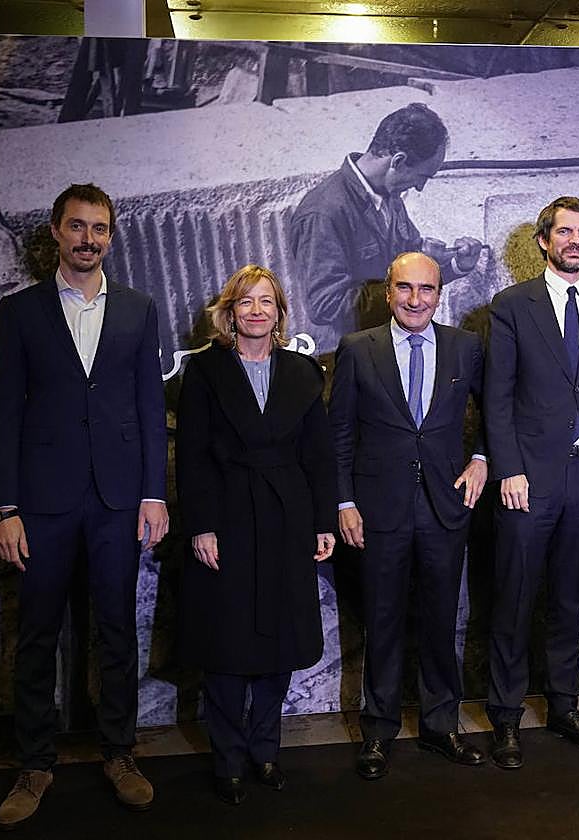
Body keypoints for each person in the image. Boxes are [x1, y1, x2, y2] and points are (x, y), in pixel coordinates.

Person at [0, 183, 169, 828]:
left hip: (119, 500)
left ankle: (120, 753)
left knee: (118, 629)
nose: (87, 238)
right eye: (76, 227)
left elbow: (151, 407)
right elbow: (5, 412)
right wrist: (3, 509)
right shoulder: (21, 311)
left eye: (98, 228)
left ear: (110, 237)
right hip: (42, 503)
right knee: (38, 634)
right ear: (57, 234)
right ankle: (34, 763)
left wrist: (155, 494)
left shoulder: (140, 308)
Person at [175, 264, 337, 804]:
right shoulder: (203, 372)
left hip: (288, 518)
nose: (257, 311)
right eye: (246, 302)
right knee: (226, 647)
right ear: (229, 312)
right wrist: (202, 526)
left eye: (267, 301)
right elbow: (192, 458)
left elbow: (319, 455)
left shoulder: (303, 372)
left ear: (280, 313)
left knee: (277, 644)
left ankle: (265, 752)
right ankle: (228, 761)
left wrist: (322, 523)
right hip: (226, 517)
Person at [484, 196, 579, 769]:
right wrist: (510, 470)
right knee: (516, 599)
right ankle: (505, 719)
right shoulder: (511, 306)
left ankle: (566, 706)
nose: (576, 240)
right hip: (530, 480)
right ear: (543, 240)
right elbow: (496, 399)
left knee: (570, 598)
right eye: (565, 231)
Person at [328, 252, 488, 780]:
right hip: (377, 511)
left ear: (440, 293)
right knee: (383, 620)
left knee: (442, 621)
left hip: (445, 507)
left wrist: (483, 458)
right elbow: (341, 433)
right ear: (388, 292)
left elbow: (502, 411)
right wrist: (345, 502)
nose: (415, 300)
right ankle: (378, 731)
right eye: (404, 289)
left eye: (426, 289)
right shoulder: (356, 349)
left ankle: (443, 726)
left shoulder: (466, 348)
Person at [288, 103, 482, 354]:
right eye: (422, 176)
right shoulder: (324, 213)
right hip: (345, 358)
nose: (420, 187)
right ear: (398, 161)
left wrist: (457, 264)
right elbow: (326, 304)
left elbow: (410, 263)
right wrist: (407, 287)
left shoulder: (389, 195)